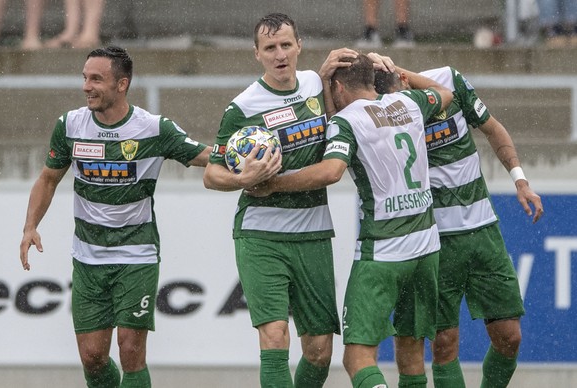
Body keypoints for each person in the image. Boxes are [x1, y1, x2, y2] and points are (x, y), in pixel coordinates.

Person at [247, 54, 454, 388]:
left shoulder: (347, 121)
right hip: (427, 246)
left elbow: (331, 170)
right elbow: (445, 92)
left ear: (338, 88)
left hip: (383, 251)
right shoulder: (408, 102)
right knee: (412, 354)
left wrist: (272, 184)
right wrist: (398, 70)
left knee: (357, 357)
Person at [19, 46, 211, 387]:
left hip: (136, 255)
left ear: (122, 84)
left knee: (131, 349)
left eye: (96, 79)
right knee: (93, 357)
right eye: (84, 78)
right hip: (88, 257)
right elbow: (48, 178)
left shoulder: (153, 129)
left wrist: (247, 159)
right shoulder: (70, 126)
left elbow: (204, 156)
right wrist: (30, 226)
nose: (86, 86)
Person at [202, 12, 362, 387]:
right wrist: (243, 177)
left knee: (320, 351)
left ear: (299, 46)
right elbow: (211, 173)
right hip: (261, 236)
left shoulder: (313, 84)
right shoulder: (242, 108)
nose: (279, 54)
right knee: (275, 337)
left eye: (286, 45)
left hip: (313, 233)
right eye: (270, 47)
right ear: (256, 53)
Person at [375, 65, 544, 387]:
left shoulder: (448, 80)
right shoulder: (378, 117)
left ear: (403, 78)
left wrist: (521, 182)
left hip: (483, 232)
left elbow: (493, 129)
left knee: (510, 338)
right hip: (435, 241)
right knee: (444, 344)